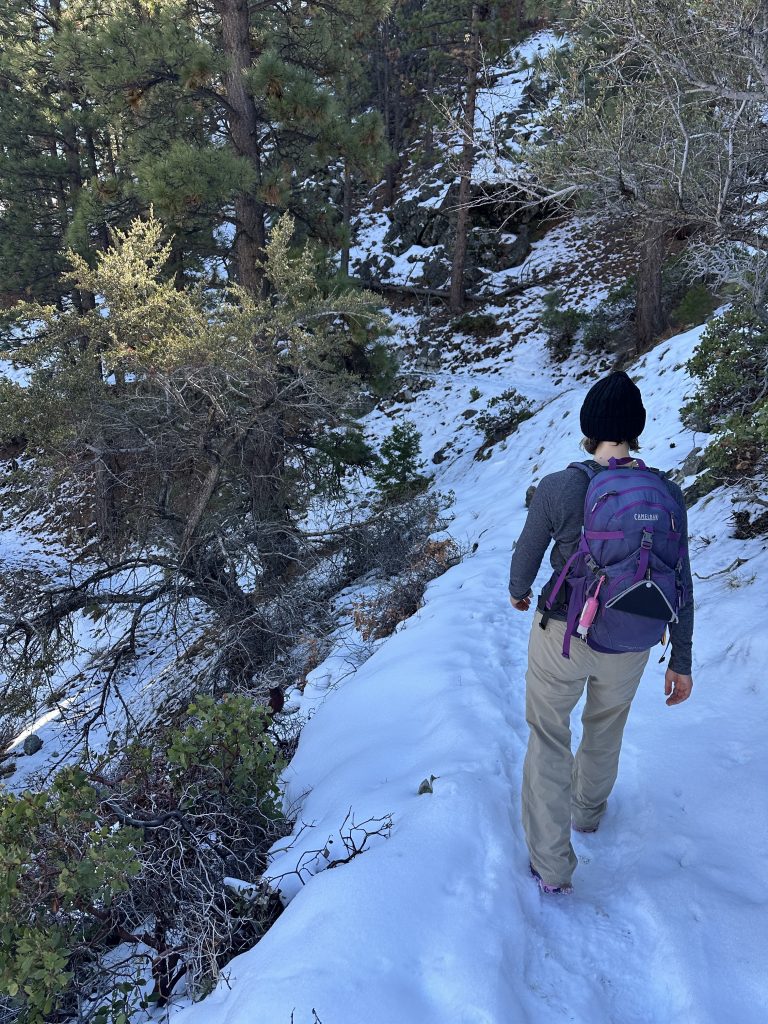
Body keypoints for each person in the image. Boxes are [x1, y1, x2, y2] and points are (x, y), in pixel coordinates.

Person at [508, 370, 694, 895]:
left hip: (564, 635)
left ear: (588, 427)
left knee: (548, 737)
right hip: (633, 637)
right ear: (636, 428)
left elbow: (526, 555)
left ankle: (551, 868)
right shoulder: (665, 492)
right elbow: (680, 578)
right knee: (605, 725)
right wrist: (681, 659)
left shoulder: (562, 485)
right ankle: (586, 813)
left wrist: (520, 591)